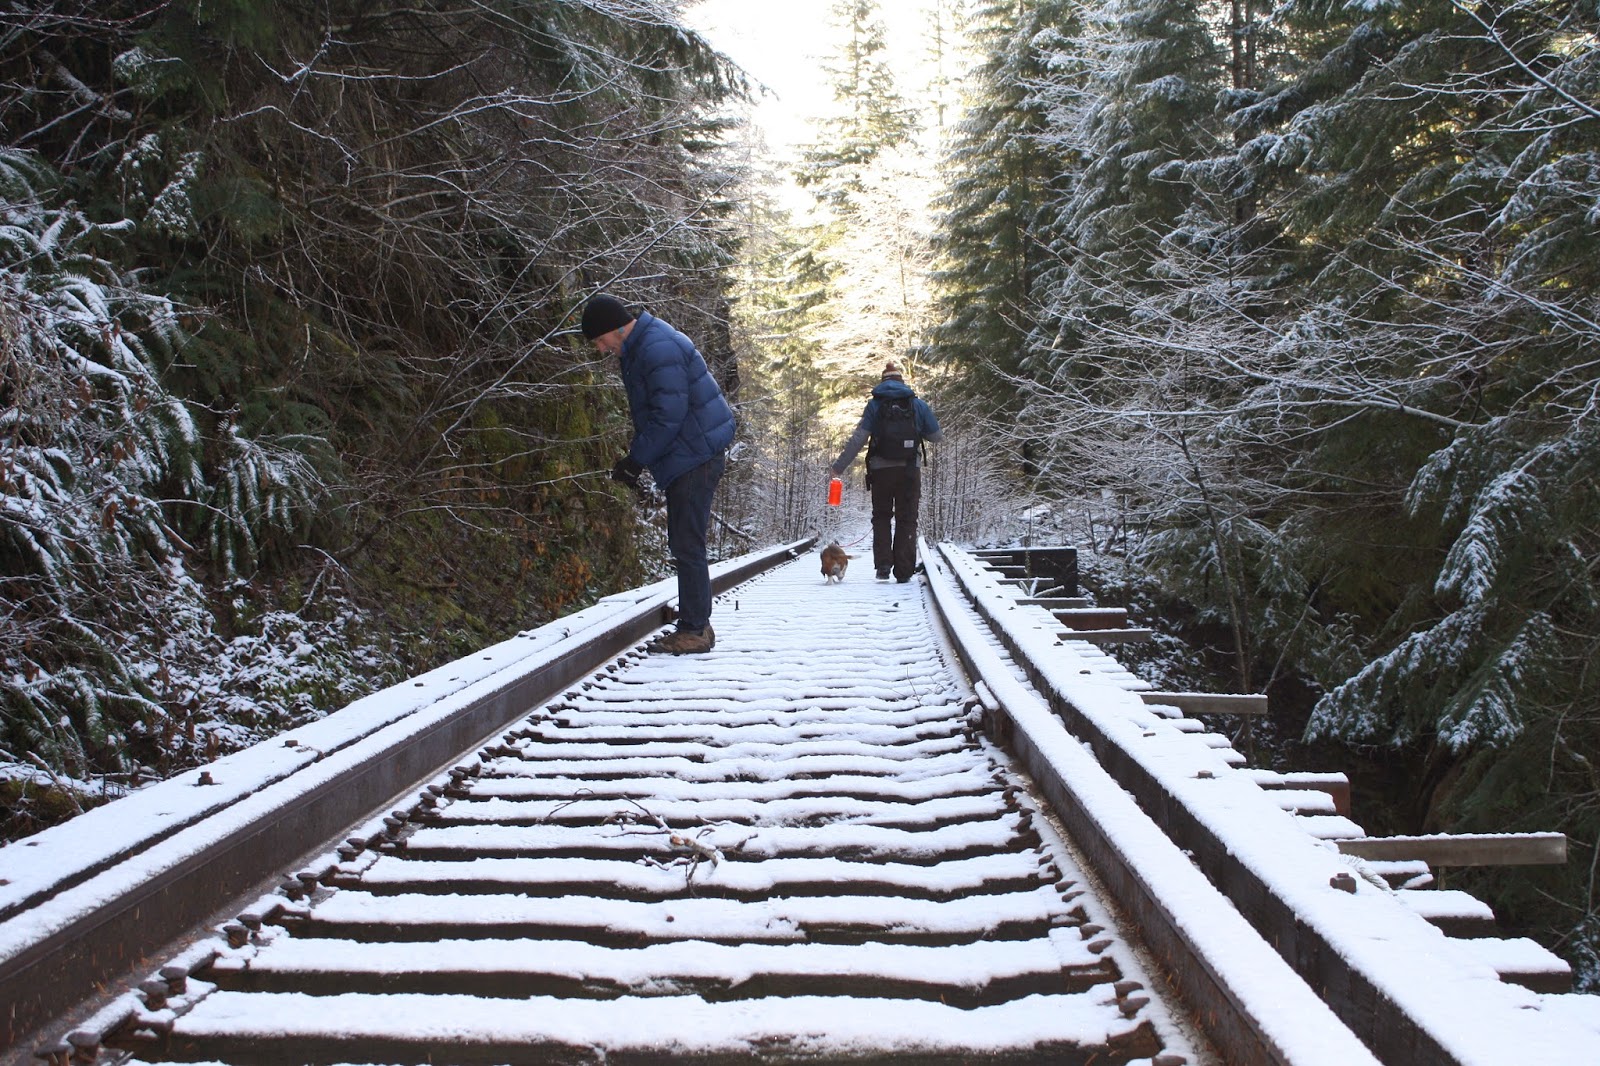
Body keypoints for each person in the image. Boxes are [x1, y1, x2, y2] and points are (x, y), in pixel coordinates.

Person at [582, 293, 735, 653]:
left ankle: (695, 630)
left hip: (694, 453)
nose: (602, 349)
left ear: (615, 329)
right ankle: (697, 625)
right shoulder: (643, 345)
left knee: (687, 544)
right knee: (686, 543)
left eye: (601, 341)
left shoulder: (656, 349)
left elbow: (668, 415)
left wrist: (636, 460)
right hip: (690, 450)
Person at [829, 361, 943, 583]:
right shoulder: (917, 405)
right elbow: (936, 436)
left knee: (881, 517)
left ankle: (883, 567)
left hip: (881, 471)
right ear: (902, 381)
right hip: (910, 470)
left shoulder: (874, 406)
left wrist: (838, 466)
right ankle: (903, 572)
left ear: (882, 382)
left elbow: (858, 439)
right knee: (907, 518)